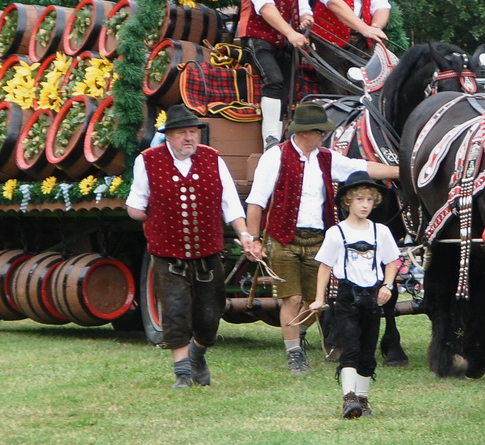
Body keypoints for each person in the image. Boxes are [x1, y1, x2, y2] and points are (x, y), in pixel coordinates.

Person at [242, 102, 398, 374]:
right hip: (284, 238)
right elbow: (256, 201)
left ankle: (297, 331)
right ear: (305, 132)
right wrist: (254, 239)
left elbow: (361, 167)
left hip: (318, 239)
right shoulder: (275, 157)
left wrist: (401, 171)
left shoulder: (326, 157)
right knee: (292, 299)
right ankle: (294, 353)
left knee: (316, 301)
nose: (324, 136)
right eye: (320, 131)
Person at [125, 105, 253, 388]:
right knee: (175, 310)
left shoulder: (213, 158)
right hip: (167, 255)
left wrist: (244, 235)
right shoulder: (147, 161)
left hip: (208, 251)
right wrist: (157, 218)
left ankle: (198, 353)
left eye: (193, 132)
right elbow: (135, 207)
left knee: (210, 314)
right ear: (169, 136)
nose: (189, 138)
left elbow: (231, 203)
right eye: (182, 132)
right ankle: (182, 373)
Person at [308, 177, 400, 417]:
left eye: (369, 200)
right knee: (350, 346)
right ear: (348, 201)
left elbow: (392, 261)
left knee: (368, 350)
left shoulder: (381, 232)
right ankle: (349, 397)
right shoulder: (337, 233)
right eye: (359, 199)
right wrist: (319, 298)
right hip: (347, 297)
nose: (365, 205)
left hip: (373, 297)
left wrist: (387, 285)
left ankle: (363, 398)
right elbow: (325, 266)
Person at [237, 0, 312, 147]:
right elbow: (265, 7)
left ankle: (284, 140)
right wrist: (291, 32)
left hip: (283, 43)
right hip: (256, 39)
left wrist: (305, 18)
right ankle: (270, 139)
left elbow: (304, 8)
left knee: (290, 87)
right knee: (274, 80)